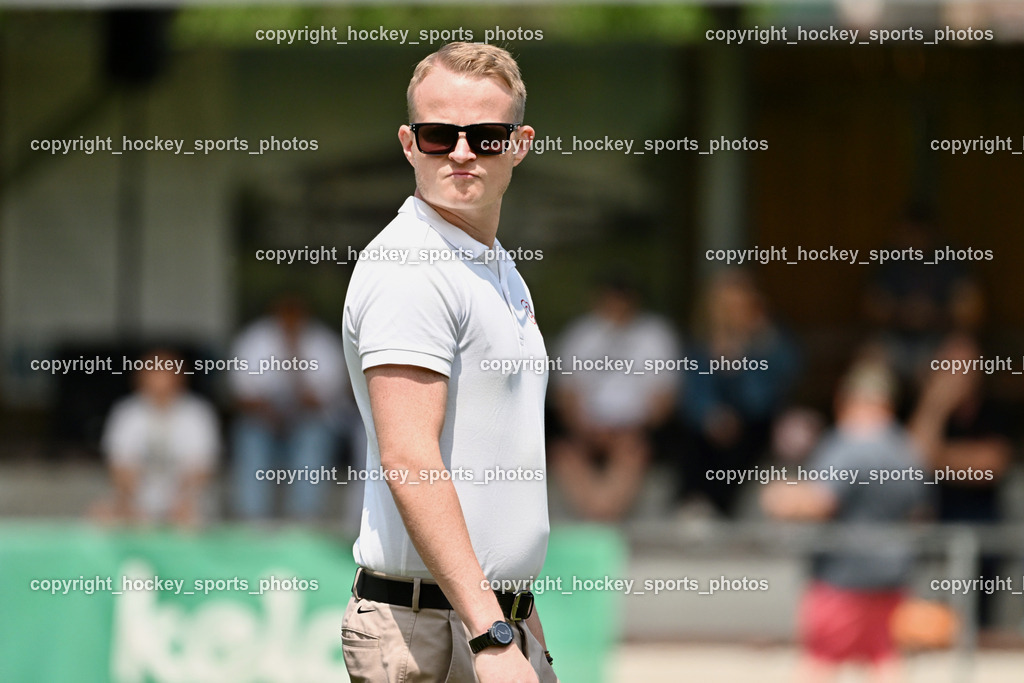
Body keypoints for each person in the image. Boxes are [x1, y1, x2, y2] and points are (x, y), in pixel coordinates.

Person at [340, 43, 556, 682]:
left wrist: (514, 618)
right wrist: (490, 634)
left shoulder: (490, 262)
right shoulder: (411, 267)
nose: (461, 151)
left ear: (519, 144)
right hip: (431, 630)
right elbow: (410, 458)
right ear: (409, 143)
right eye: (439, 134)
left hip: (483, 617)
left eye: (486, 136)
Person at [761, 361, 930, 683]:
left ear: (846, 399)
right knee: (885, 659)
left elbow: (820, 502)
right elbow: (920, 513)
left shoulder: (847, 445)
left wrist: (781, 497)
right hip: (892, 576)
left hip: (842, 579)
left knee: (820, 663)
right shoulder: (907, 450)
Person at [551, 274, 680, 521]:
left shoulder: (654, 336)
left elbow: (663, 400)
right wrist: (588, 430)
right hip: (588, 431)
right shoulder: (579, 335)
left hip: (634, 432)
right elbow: (566, 396)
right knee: (564, 455)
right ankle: (601, 512)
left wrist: (630, 428)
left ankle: (600, 514)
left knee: (631, 452)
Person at [678, 268, 800, 516]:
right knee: (692, 439)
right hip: (712, 424)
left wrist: (742, 364)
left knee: (742, 440)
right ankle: (690, 501)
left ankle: (718, 507)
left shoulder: (769, 341)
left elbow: (765, 396)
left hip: (753, 421)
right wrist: (709, 414)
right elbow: (692, 391)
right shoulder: (703, 344)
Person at [229, 294, 348, 520]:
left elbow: (329, 399)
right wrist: (270, 412)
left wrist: (295, 357)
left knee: (315, 436)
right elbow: (240, 396)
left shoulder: (322, 342)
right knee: (249, 434)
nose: (290, 321)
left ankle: (305, 518)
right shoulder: (255, 339)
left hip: (306, 422)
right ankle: (253, 520)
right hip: (264, 421)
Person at [97, 348, 220, 528]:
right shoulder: (126, 413)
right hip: (138, 500)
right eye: (153, 372)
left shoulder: (198, 414)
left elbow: (201, 470)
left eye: (165, 373)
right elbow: (119, 467)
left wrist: (181, 501)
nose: (159, 380)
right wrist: (131, 503)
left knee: (190, 520)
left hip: (186, 501)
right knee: (101, 515)